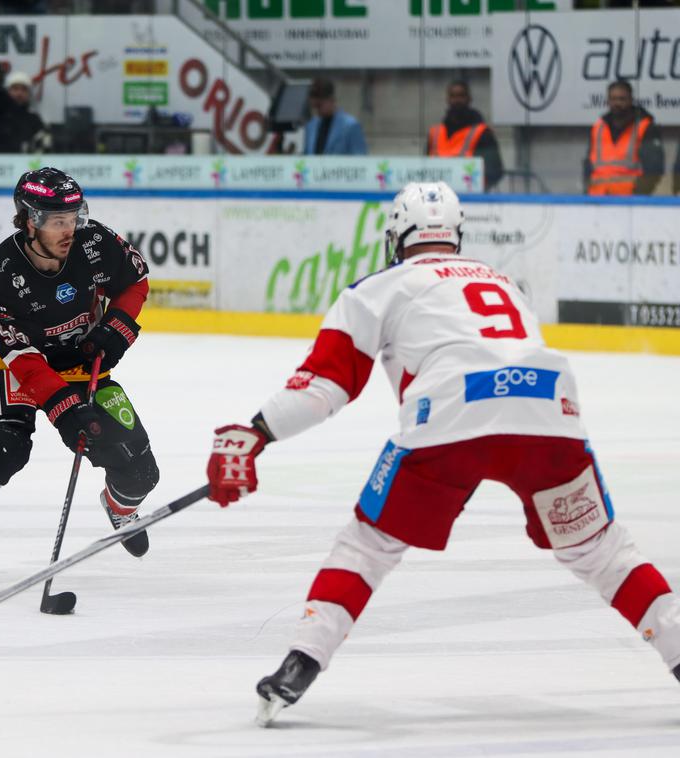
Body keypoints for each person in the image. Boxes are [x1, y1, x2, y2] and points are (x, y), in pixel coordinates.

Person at [205, 182, 680, 726]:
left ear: (395, 237)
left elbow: (324, 387)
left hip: (453, 410)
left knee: (368, 545)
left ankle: (300, 664)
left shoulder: (377, 288)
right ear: (456, 236)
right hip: (551, 408)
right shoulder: (501, 280)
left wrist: (256, 432)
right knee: (604, 552)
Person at [0, 168, 159, 589]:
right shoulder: (0, 276)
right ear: (30, 221)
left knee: (141, 470)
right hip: (16, 364)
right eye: (59, 221)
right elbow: (22, 359)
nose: (71, 229)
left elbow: (135, 281)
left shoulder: (96, 242)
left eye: (75, 217)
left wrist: (115, 329)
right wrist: (65, 410)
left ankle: (119, 507)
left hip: (81, 360)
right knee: (4, 448)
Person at [584, 80, 664, 196]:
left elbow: (654, 170)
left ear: (631, 100)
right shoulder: (598, 127)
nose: (617, 103)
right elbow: (588, 166)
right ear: (608, 101)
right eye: (613, 99)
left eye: (622, 99)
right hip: (597, 199)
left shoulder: (645, 127)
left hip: (630, 201)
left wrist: (639, 197)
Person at [426, 80, 504, 191]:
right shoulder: (435, 133)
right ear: (447, 99)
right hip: (437, 197)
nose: (457, 100)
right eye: (453, 96)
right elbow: (424, 167)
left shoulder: (482, 133)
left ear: (469, 99)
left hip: (469, 198)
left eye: (461, 96)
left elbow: (495, 171)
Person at [302, 77, 366, 156]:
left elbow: (360, 160)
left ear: (331, 99)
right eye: (314, 106)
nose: (316, 110)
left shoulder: (351, 126)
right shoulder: (310, 126)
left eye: (319, 106)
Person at [6, 71, 49, 153]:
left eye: (24, 89)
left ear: (29, 94)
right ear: (8, 92)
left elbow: (42, 148)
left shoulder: (34, 120)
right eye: (15, 89)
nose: (19, 93)